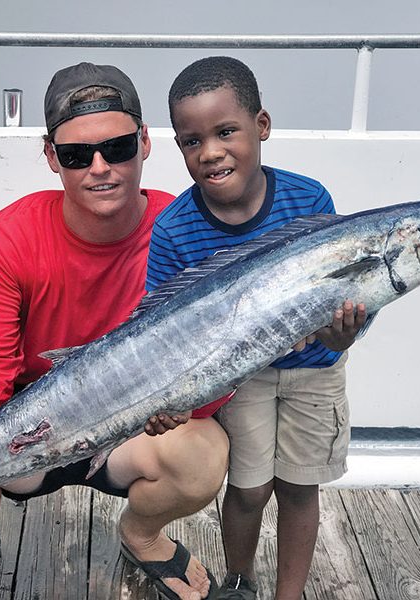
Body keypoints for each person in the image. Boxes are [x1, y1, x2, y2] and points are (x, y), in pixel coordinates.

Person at [0, 62, 230, 600]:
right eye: (77, 155)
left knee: (203, 454)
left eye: (118, 147)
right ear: (50, 156)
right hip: (27, 430)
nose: (100, 167)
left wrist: (187, 407)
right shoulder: (6, 238)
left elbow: (213, 361)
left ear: (146, 142)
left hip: (133, 432)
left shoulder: (187, 231)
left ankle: (141, 534)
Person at [146, 56, 368, 600]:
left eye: (226, 132)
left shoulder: (309, 199)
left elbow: (342, 296)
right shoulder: (173, 230)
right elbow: (160, 335)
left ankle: (287, 595)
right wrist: (171, 398)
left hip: (316, 372)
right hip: (239, 381)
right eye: (192, 141)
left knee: (298, 487)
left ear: (261, 127)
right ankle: (238, 583)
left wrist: (344, 334)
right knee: (247, 489)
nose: (211, 152)